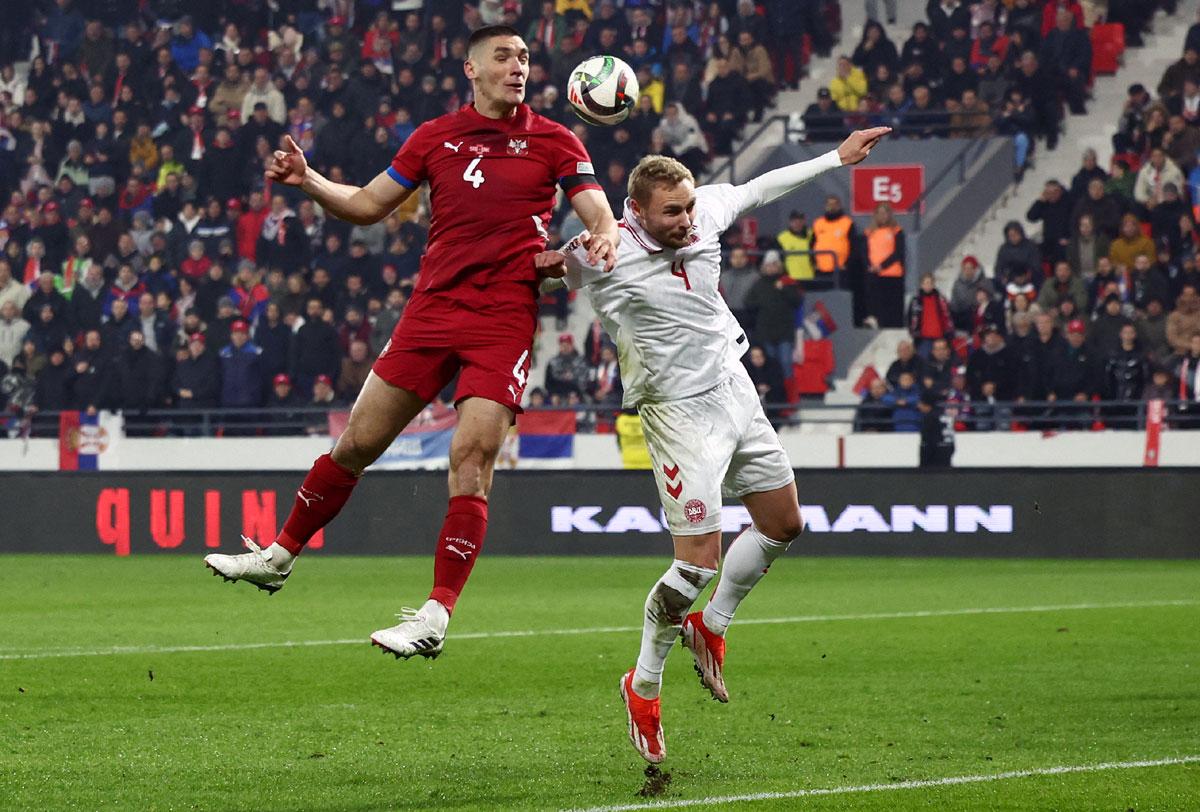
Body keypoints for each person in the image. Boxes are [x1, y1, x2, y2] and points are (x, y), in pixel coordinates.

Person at [203, 26, 619, 661]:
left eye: (525, 58)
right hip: (430, 313)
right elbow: (369, 204)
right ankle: (279, 557)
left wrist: (606, 233)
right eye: (504, 57)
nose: (518, 67)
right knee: (356, 445)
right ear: (471, 69)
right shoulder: (434, 138)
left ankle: (435, 613)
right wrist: (310, 180)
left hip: (501, 318)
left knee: (471, 457)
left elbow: (593, 207)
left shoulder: (554, 139)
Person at [536, 126, 889, 763]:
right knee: (696, 563)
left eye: (690, 206)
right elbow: (533, 285)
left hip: (734, 388)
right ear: (634, 211)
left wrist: (836, 158)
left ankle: (712, 624)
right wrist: (532, 262)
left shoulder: (703, 214)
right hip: (675, 414)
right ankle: (642, 685)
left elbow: (757, 188)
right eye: (672, 212)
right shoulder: (597, 253)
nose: (687, 220)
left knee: (784, 524)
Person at [864, 202, 905, 328]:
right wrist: (870, 266)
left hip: (892, 274)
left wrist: (881, 266)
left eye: (885, 212)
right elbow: (865, 252)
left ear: (890, 214)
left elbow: (898, 253)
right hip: (874, 274)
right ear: (875, 215)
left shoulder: (897, 231)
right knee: (875, 303)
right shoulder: (869, 232)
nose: (883, 215)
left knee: (890, 307)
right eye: (880, 212)